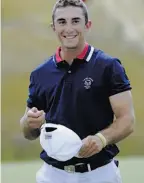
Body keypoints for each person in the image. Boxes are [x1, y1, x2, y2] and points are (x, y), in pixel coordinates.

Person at [20, 0, 135, 182]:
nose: (69, 28)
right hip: (53, 174)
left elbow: (127, 120)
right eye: (62, 22)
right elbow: (28, 132)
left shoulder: (109, 66)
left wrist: (101, 139)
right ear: (54, 27)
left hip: (100, 173)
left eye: (75, 21)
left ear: (87, 25)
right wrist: (29, 122)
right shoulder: (40, 74)